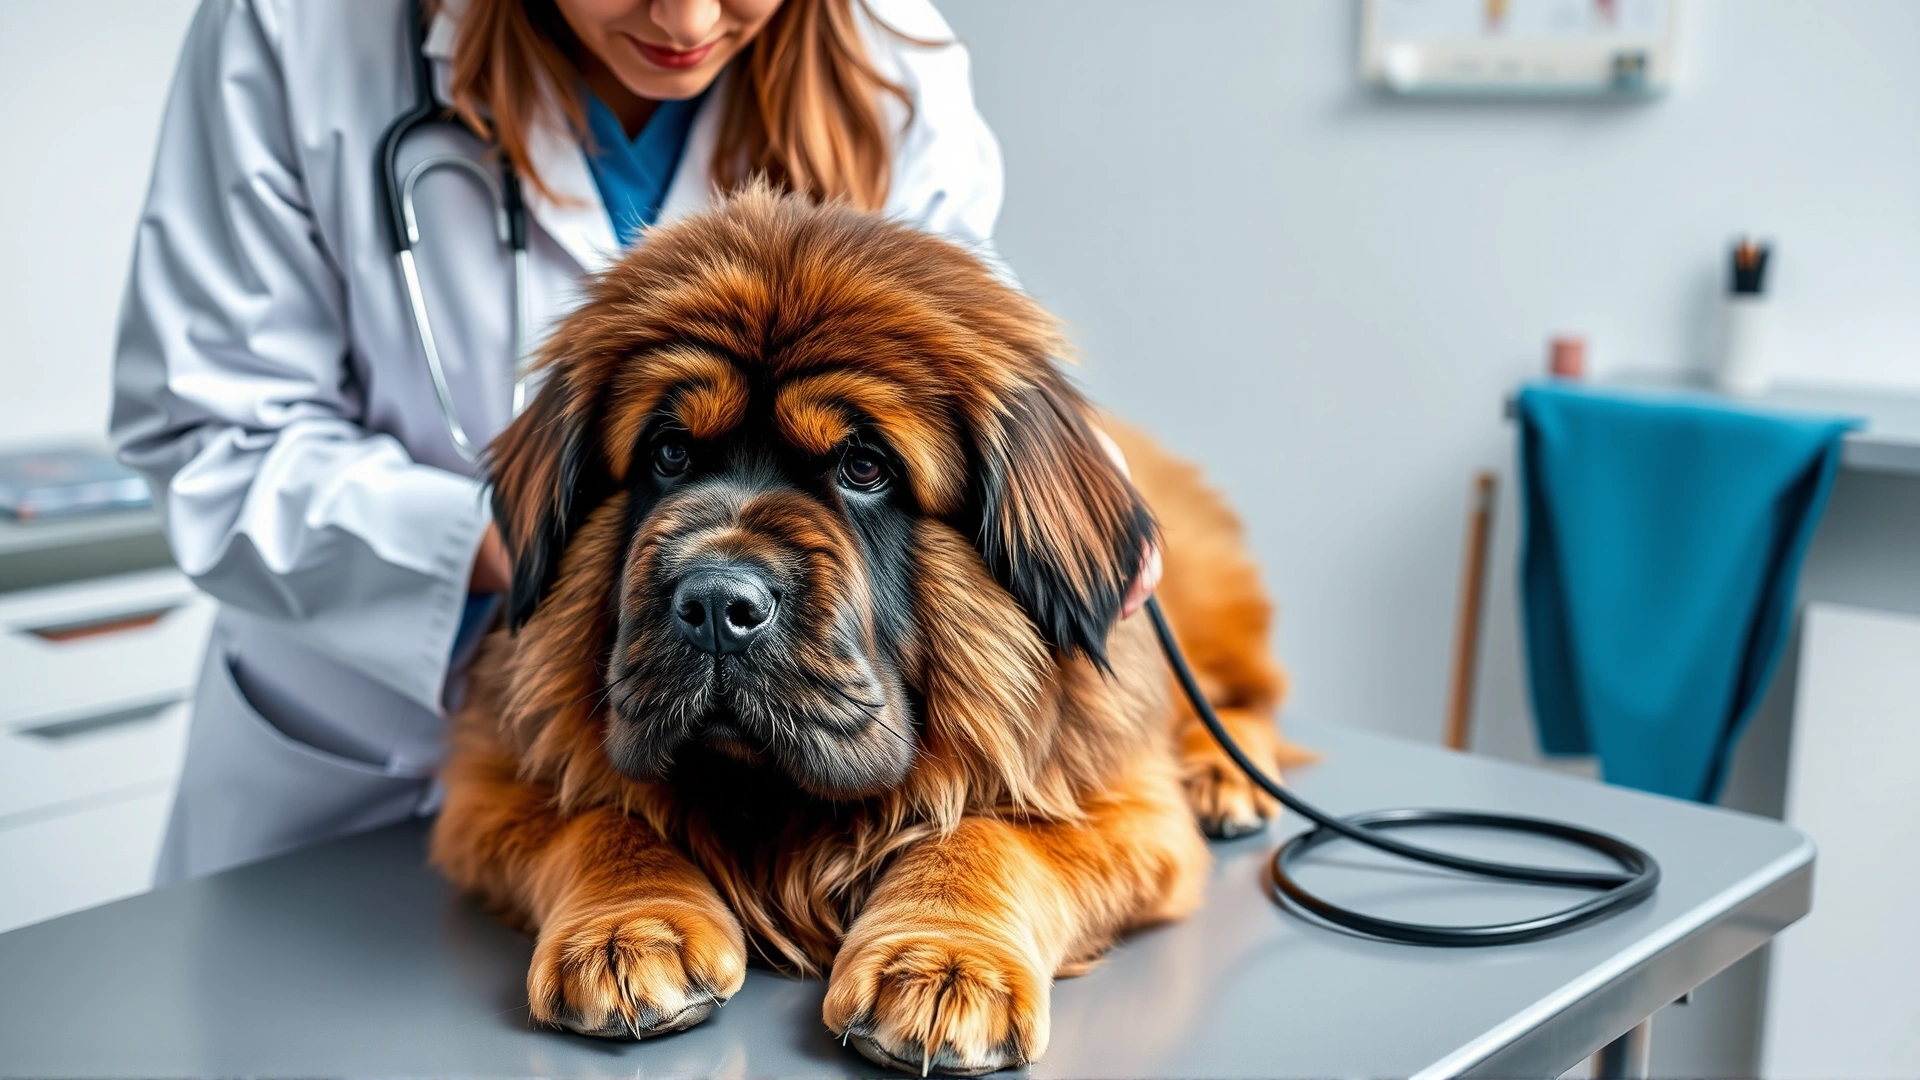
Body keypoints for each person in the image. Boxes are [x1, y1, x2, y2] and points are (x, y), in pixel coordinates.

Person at [112, 0, 1158, 884]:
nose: (688, 21)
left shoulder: (887, 46)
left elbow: (958, 333)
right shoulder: (297, 29)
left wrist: (1078, 501)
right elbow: (213, 433)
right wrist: (540, 532)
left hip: (743, 804)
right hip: (349, 781)